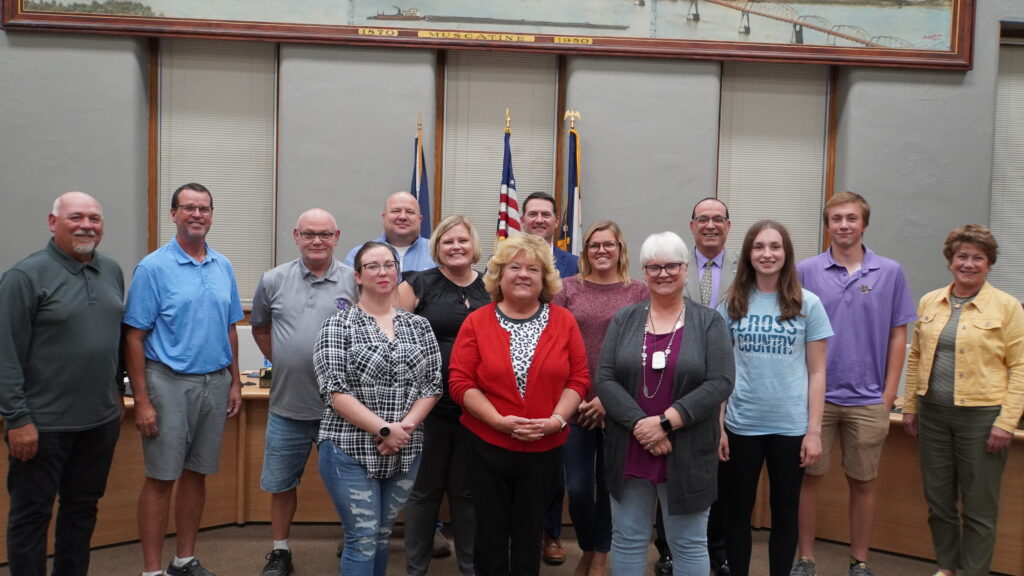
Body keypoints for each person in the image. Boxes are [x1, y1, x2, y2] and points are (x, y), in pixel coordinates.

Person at [595, 231, 735, 576]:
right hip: (630, 445)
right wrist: (641, 426)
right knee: (627, 538)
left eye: (672, 265)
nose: (663, 273)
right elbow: (605, 379)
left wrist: (665, 423)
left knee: (688, 543)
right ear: (644, 273)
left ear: (685, 269)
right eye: (654, 267)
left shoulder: (709, 321)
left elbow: (721, 381)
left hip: (686, 449)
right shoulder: (625, 319)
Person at [448, 234, 589, 576]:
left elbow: (579, 379)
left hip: (545, 449)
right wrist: (498, 421)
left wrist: (556, 420)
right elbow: (460, 382)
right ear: (499, 275)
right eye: (515, 267)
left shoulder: (563, 321)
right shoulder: (477, 321)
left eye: (533, 269)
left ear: (545, 279)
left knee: (529, 536)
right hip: (487, 446)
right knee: (490, 535)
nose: (523, 274)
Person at [0, 192, 125, 576]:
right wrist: (17, 419)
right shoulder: (24, 277)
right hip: (42, 426)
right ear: (53, 223)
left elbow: (115, 339)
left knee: (82, 511)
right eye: (76, 217)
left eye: (95, 218)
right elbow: (5, 353)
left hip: (99, 423)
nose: (87, 225)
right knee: (31, 515)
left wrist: (117, 396)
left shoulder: (112, 271)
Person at [792, 192, 917, 576]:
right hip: (817, 399)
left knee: (863, 482)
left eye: (851, 218)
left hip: (868, 400)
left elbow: (899, 334)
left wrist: (888, 394)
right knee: (808, 481)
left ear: (864, 223)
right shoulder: (804, 271)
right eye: (835, 219)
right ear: (826, 225)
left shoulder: (890, 272)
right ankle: (806, 559)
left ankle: (859, 560)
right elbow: (794, 331)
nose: (843, 225)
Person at [124, 183, 244, 576]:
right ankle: (152, 570)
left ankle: (184, 560)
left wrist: (235, 382)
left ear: (212, 214)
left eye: (204, 208)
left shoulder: (222, 265)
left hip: (214, 383)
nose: (197, 215)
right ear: (173, 214)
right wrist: (142, 400)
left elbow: (230, 328)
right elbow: (134, 337)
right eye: (188, 208)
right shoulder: (153, 268)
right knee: (162, 477)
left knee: (197, 473)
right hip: (169, 383)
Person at [902, 224, 1024, 576]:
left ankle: (974, 572)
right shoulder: (931, 301)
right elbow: (916, 357)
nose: (968, 264)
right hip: (933, 415)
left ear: (989, 263)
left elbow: (1019, 367)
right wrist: (910, 406)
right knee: (938, 503)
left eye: (977, 258)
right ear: (950, 260)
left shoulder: (1007, 307)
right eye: (962, 256)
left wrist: (1006, 421)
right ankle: (948, 567)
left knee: (978, 508)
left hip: (983, 418)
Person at [314, 241, 442, 576]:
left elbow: (432, 385)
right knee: (362, 537)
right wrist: (384, 429)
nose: (383, 272)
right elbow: (334, 390)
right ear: (357, 276)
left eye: (389, 265)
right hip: (348, 448)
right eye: (372, 266)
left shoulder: (419, 326)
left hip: (405, 447)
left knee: (383, 535)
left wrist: (403, 430)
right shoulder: (337, 325)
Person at [719, 220, 831, 576]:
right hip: (740, 426)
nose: (767, 254)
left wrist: (814, 432)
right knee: (736, 513)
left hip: (790, 428)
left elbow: (817, 372)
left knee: (785, 514)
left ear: (786, 254)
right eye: (759, 247)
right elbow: (721, 373)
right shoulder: (732, 304)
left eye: (775, 247)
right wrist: (719, 427)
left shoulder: (807, 304)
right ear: (749, 255)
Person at [250, 208, 358, 576]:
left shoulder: (354, 281)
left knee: (351, 482)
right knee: (281, 483)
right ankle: (280, 551)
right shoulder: (273, 280)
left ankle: (355, 542)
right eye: (309, 234)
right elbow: (260, 328)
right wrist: (285, 360)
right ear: (296, 235)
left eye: (324, 234)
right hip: (288, 405)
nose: (317, 241)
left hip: (342, 410)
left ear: (337, 236)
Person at [551, 220, 648, 576]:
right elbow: (554, 347)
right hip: (572, 404)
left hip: (618, 407)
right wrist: (574, 398)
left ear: (620, 249)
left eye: (609, 244)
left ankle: (601, 554)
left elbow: (643, 352)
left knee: (610, 486)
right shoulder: (565, 289)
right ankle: (588, 545)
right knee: (576, 488)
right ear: (585, 251)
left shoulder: (638, 292)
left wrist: (610, 400)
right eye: (594, 245)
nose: (602, 251)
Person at [397, 215, 490, 576]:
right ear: (437, 246)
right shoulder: (418, 283)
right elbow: (394, 338)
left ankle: (470, 568)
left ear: (473, 246)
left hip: (477, 407)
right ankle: (415, 570)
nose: (456, 247)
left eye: (462, 241)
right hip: (428, 408)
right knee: (425, 492)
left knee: (467, 494)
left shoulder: (490, 287)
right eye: (448, 241)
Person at [520, 191, 579, 564]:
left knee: (552, 467)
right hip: (513, 368)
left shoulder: (574, 263)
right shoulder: (506, 256)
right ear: (521, 219)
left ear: (557, 222)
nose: (540, 220)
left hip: (557, 372)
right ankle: (516, 533)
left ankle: (549, 534)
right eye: (533, 214)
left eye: (546, 214)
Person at [684, 197, 739, 576]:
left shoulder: (746, 268)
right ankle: (669, 549)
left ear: (728, 226)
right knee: (676, 468)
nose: (710, 225)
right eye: (702, 219)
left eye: (717, 219)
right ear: (692, 226)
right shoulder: (676, 265)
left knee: (721, 474)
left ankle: (716, 550)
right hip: (682, 381)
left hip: (730, 381)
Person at [343, 191, 435, 272]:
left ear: (420, 220)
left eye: (410, 212)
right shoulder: (358, 254)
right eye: (396, 211)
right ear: (384, 217)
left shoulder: (437, 252)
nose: (402, 217)